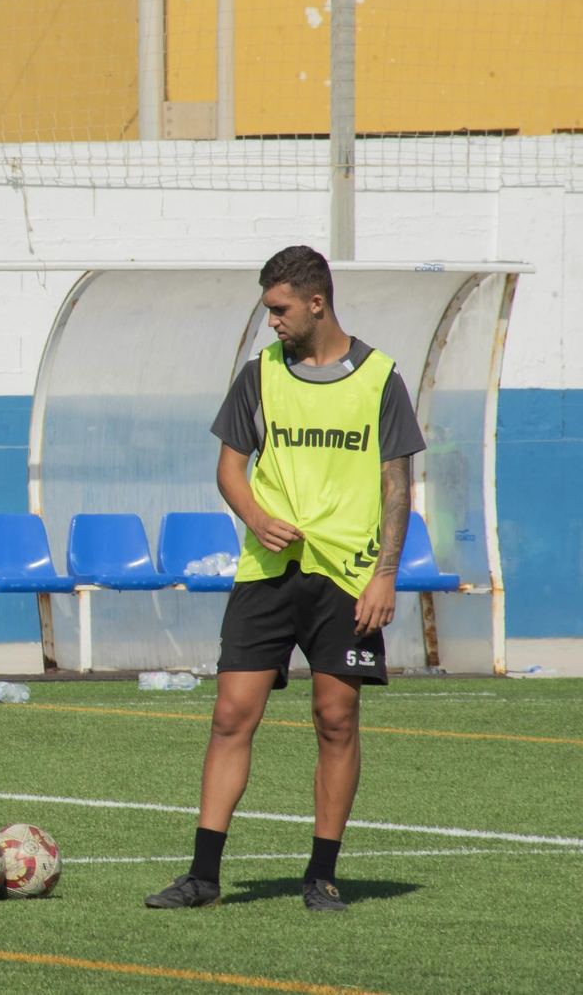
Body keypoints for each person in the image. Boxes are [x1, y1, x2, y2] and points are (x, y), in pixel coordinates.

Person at [145, 245, 423, 912]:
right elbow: (230, 469)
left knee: (336, 717)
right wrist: (254, 514)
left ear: (317, 302)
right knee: (231, 714)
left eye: (279, 308)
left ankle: (322, 876)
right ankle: (203, 877)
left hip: (347, 579)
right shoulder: (259, 375)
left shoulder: (380, 377)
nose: (270, 321)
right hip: (267, 574)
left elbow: (396, 485)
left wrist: (386, 577)